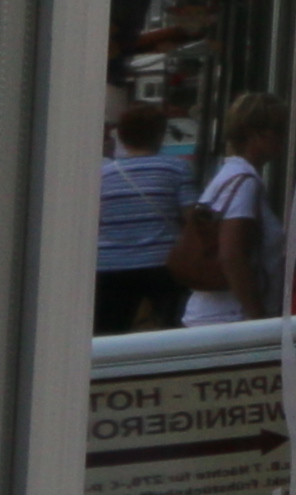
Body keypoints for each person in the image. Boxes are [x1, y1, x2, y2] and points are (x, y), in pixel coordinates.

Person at [179, 94, 282, 327]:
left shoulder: (228, 176)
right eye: (279, 130)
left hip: (215, 316)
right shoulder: (244, 183)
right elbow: (231, 254)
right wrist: (257, 319)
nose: (284, 139)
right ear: (256, 133)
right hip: (230, 318)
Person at [94, 100, 189, 336]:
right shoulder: (177, 169)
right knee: (169, 334)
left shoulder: (101, 175)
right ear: (159, 135)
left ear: (122, 137)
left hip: (110, 266)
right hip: (163, 266)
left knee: (109, 335)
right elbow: (191, 218)